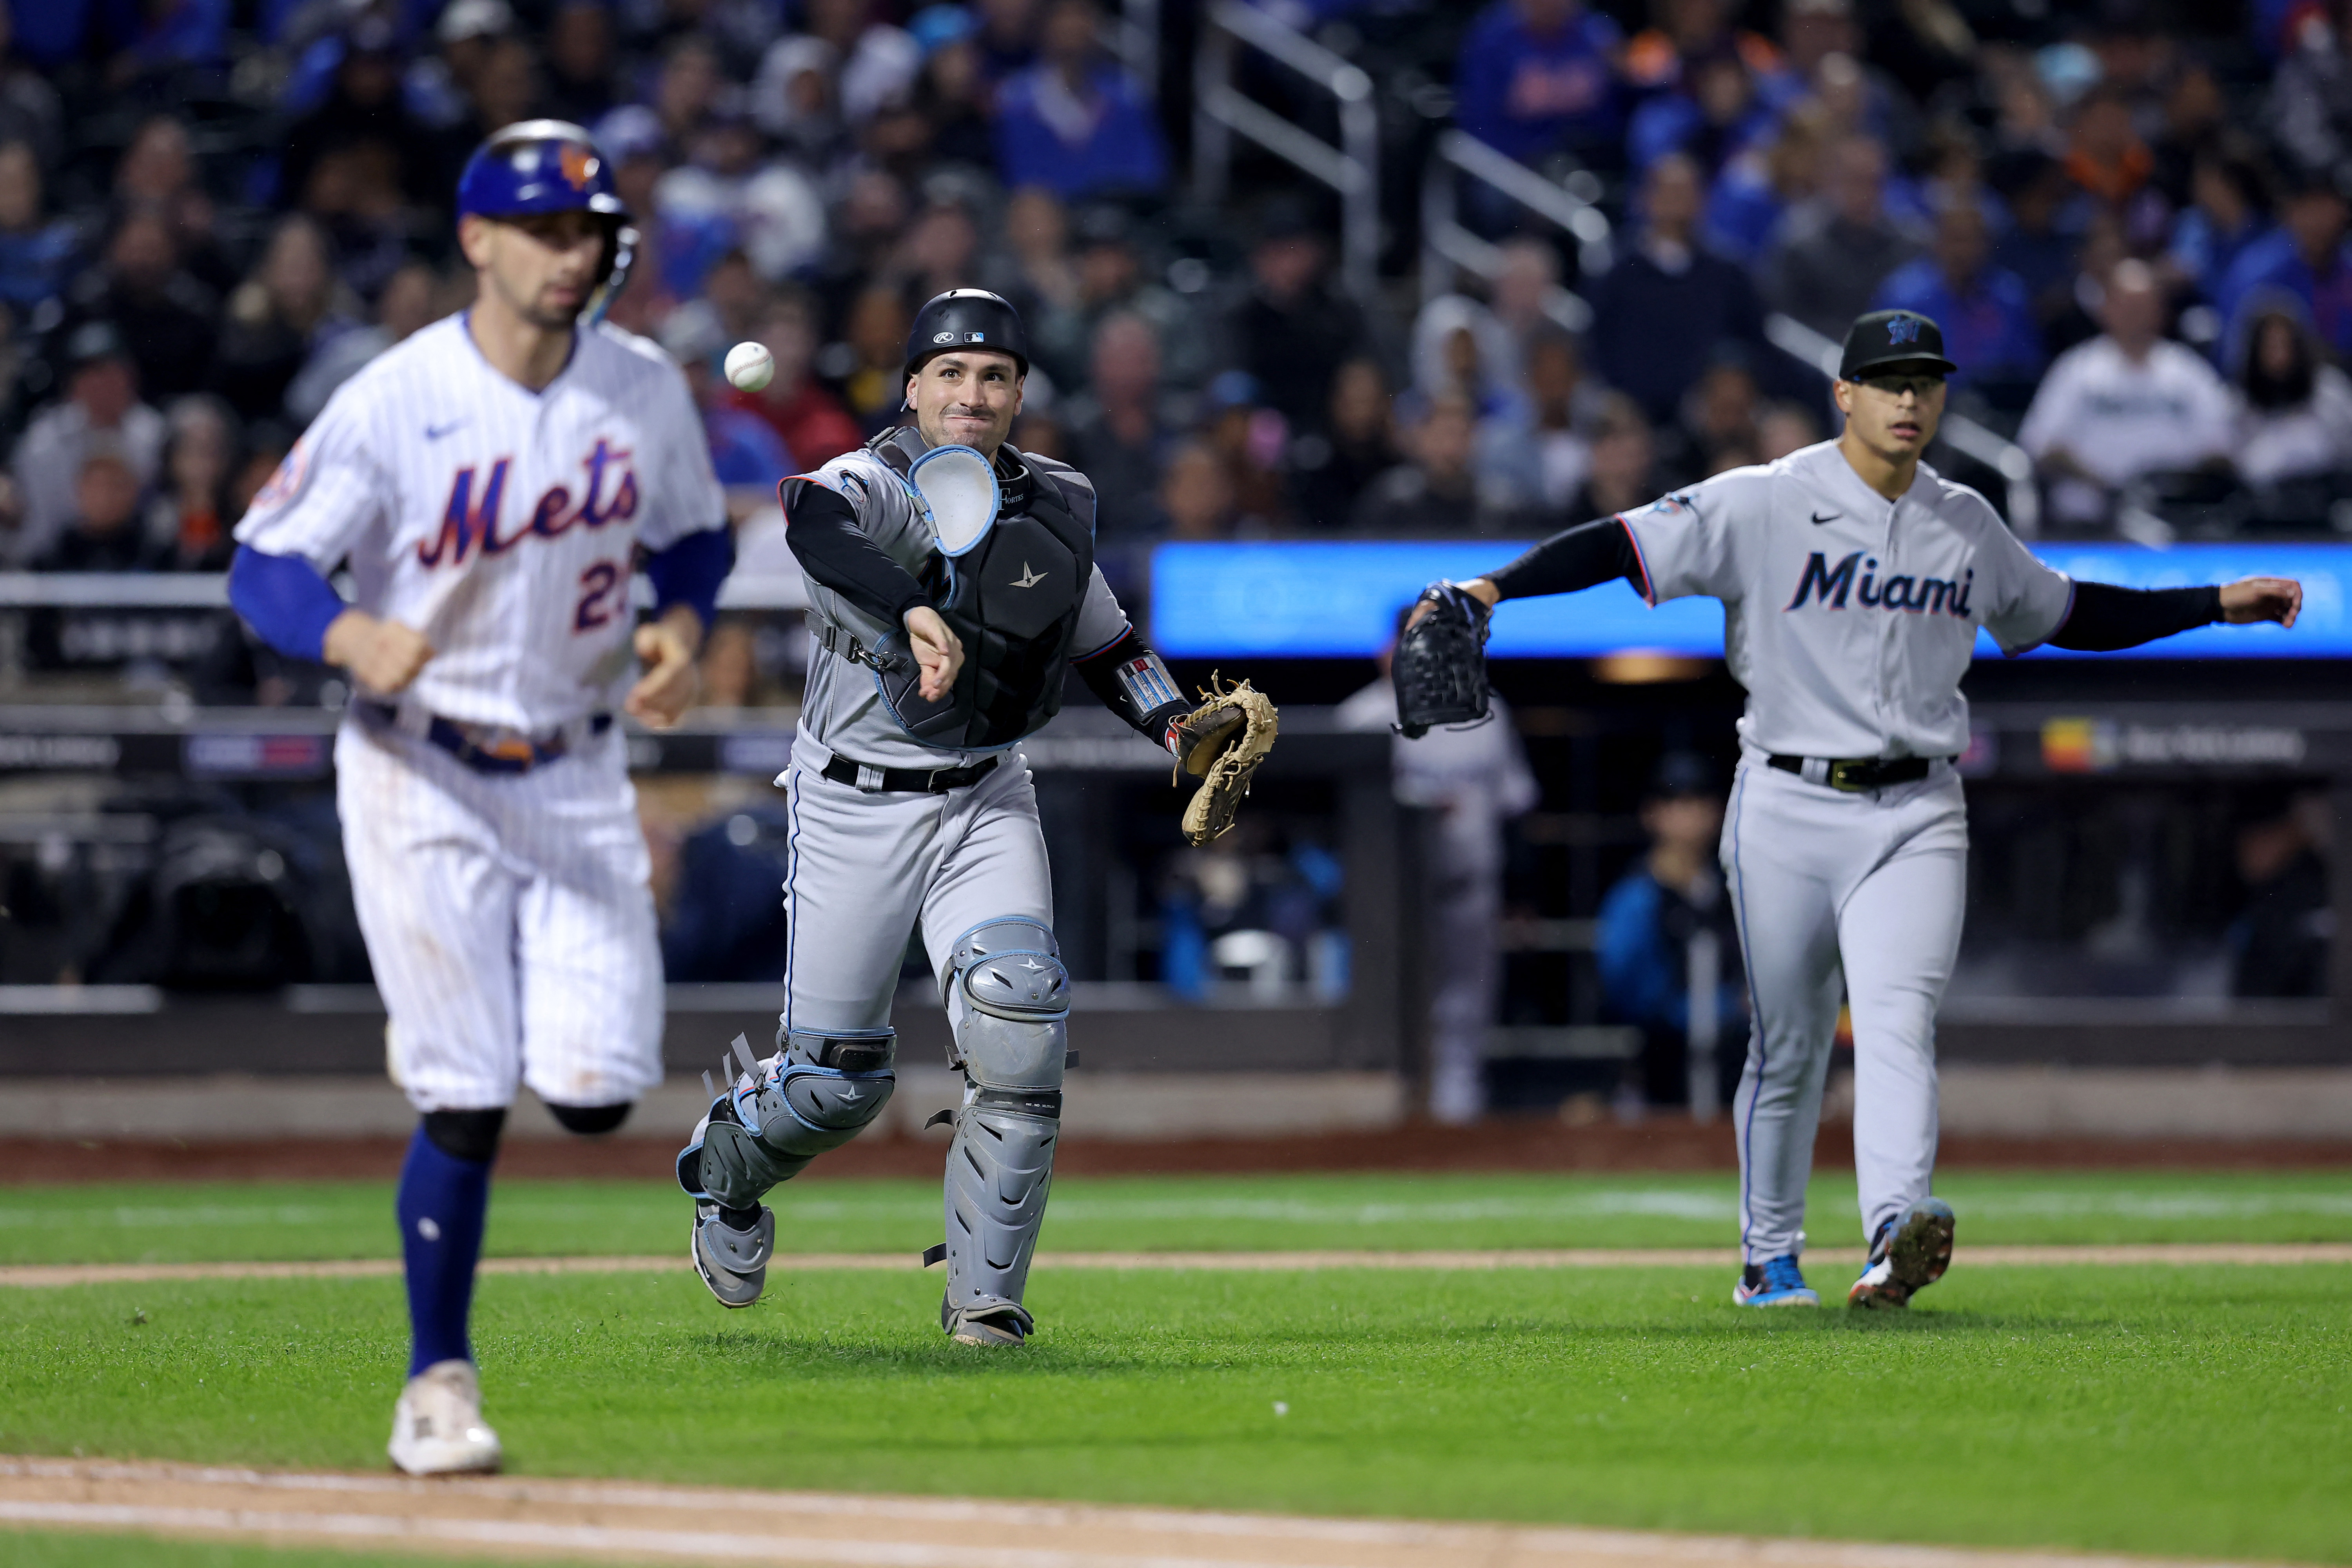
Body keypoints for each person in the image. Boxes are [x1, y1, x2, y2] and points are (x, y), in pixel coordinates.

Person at [1416, 307, 2301, 1311]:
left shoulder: (1965, 519)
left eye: (1925, 381)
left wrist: (2210, 601)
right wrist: (1493, 588)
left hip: (1919, 807)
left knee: (1895, 1022)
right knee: (1789, 1042)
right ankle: (1768, 1257)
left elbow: (2067, 613)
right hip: (1787, 802)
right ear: (1845, 394)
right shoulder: (1764, 500)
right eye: (1888, 381)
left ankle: (1893, 1231)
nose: (1909, 398)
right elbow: (1620, 545)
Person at [224, 121, 733, 1477]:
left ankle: (485, 1037)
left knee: (591, 1092)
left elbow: (688, 535)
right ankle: (433, 1387)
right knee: (463, 1095)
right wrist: (342, 636)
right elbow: (266, 563)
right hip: (418, 766)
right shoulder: (396, 396)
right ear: (479, 239)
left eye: (592, 233)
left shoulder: (641, 389)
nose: (577, 256)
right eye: (550, 232)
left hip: (574, 767)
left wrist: (677, 630)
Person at [675, 288, 1254, 1350]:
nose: (972, 393)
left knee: (1020, 1014)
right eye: (950, 372)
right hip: (853, 801)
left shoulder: (1057, 501)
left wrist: (1177, 728)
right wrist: (909, 606)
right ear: (913, 389)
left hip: (986, 792)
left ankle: (985, 1302)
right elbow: (813, 519)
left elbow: (1106, 645)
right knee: (833, 1089)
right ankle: (724, 1172)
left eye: (993, 375)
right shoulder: (883, 482)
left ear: (1020, 393)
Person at [1337, 615, 1538, 1124]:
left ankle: (1456, 1127)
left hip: (1468, 885)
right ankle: (1383, 1122)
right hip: (1385, 901)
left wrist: (1521, 895)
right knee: (1384, 1012)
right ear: (1388, 651)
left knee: (1465, 1013)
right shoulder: (1361, 717)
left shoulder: (1487, 711)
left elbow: (1516, 810)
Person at [2017, 260, 2235, 528]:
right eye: (2126, 305)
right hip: (2089, 525)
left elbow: (2221, 450)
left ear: (2160, 312)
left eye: (2144, 305)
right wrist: (2107, 486)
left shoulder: (2189, 372)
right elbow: (2042, 446)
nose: (2135, 314)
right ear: (2107, 309)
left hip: (2176, 523)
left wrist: (2171, 483)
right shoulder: (2076, 370)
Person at [1596, 752, 1746, 1113]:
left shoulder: (1735, 890)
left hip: (1734, 1059)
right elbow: (1626, 990)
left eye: (1701, 803)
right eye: (1678, 803)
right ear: (1654, 814)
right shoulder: (1636, 897)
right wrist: (1722, 1008)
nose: (1691, 815)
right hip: (1660, 1061)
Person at [1588, 153, 1772, 426]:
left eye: (1686, 192)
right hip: (1635, 417)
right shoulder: (1618, 276)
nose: (1677, 202)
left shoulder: (1729, 276)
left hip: (1712, 420)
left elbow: (1753, 344)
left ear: (1703, 200)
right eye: (1669, 191)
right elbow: (1598, 348)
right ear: (1646, 198)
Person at [9, 321, 167, 566]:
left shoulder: (154, 434)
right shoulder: (44, 441)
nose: (100, 384)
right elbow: (37, 528)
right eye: (89, 374)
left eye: (109, 372)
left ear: (130, 376)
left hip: (140, 560)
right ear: (72, 384)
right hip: (59, 563)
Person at [2233, 302, 2352, 488]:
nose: (2279, 355)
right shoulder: (2240, 400)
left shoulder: (2330, 391)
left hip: (2324, 493)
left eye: (2284, 344)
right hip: (2262, 503)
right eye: (2269, 346)